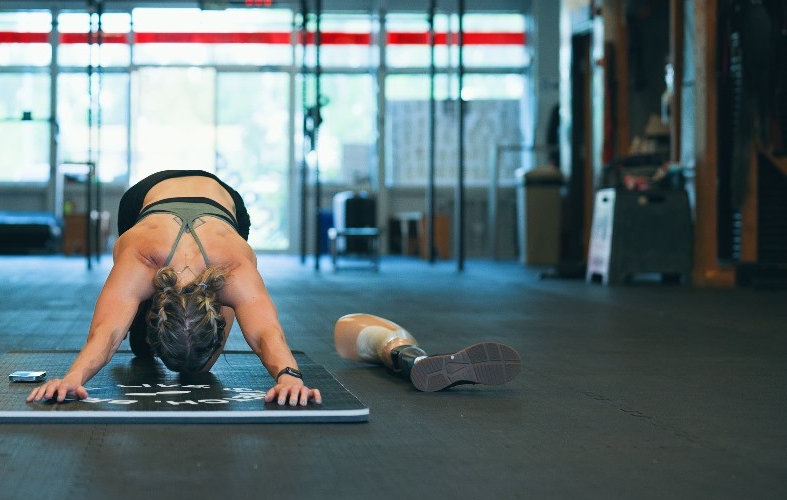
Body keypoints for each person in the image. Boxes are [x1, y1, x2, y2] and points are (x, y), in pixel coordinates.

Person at [27, 170, 323, 407]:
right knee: (141, 347)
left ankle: (148, 312)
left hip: (222, 201)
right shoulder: (139, 259)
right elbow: (106, 333)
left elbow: (265, 334)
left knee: (198, 368)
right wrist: (73, 377)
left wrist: (289, 377)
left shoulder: (234, 267)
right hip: (147, 197)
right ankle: (140, 314)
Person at [334, 313, 521, 391]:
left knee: (389, 342)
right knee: (393, 340)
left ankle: (415, 362)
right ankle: (416, 360)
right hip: (367, 338)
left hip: (360, 337)